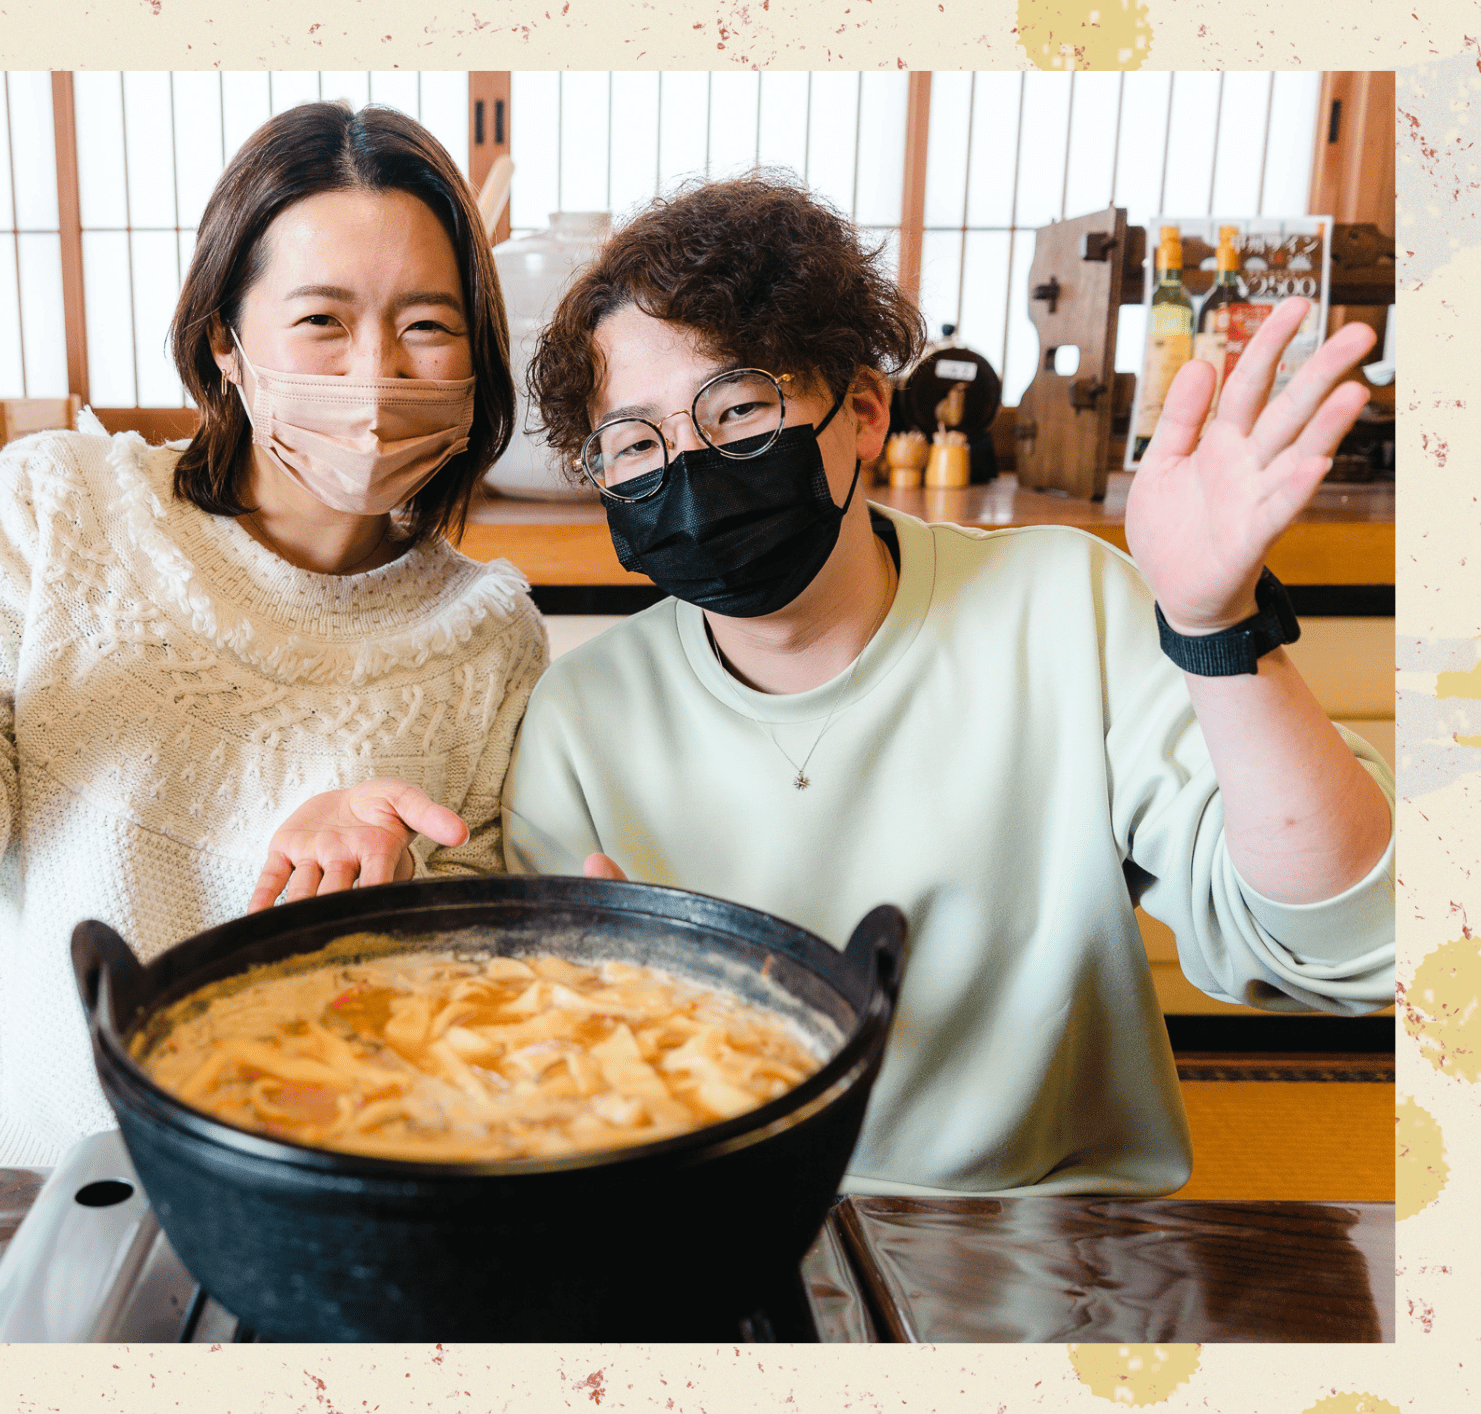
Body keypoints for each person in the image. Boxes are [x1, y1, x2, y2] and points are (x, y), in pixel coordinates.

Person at [499, 175, 1394, 1197]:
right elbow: (557, 1084)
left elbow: (1346, 947)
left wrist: (1214, 626)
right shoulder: (582, 717)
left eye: (739, 407)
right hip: (720, 1227)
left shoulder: (1064, 607)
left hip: (1047, 1236)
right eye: (634, 443)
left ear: (863, 413)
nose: (691, 467)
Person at [0, 102, 549, 1166]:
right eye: (322, 320)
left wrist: (390, 876)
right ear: (225, 342)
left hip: (294, 1184)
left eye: (427, 326)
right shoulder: (55, 507)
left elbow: (465, 986)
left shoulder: (486, 632)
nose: (376, 373)